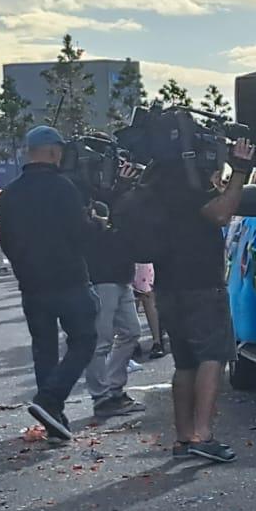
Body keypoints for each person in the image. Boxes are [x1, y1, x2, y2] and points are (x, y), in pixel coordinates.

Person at [129, 133, 256, 464]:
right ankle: (204, 434)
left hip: (168, 285)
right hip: (201, 284)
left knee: (184, 363)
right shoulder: (189, 183)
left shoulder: (157, 180)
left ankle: (185, 437)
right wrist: (240, 171)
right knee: (211, 357)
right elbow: (220, 214)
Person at [0, 126, 99, 441]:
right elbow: (79, 234)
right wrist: (95, 226)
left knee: (44, 348)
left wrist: (23, 268)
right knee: (84, 339)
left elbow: (7, 241)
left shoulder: (10, 193)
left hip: (32, 283)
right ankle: (51, 399)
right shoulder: (64, 188)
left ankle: (53, 419)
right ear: (54, 152)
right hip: (68, 277)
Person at [84, 174, 143, 423]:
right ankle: (101, 397)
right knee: (101, 340)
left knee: (131, 331)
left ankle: (114, 388)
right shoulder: (85, 193)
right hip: (101, 276)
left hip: (122, 274)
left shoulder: (122, 194)